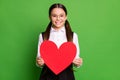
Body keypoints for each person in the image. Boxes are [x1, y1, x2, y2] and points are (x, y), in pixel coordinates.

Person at [36, 3, 83, 80]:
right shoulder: (43, 36)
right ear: (50, 17)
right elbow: (39, 60)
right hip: (47, 76)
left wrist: (78, 63)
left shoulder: (73, 36)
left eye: (61, 15)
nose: (58, 19)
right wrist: (39, 62)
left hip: (67, 76)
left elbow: (75, 59)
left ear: (65, 17)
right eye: (54, 16)